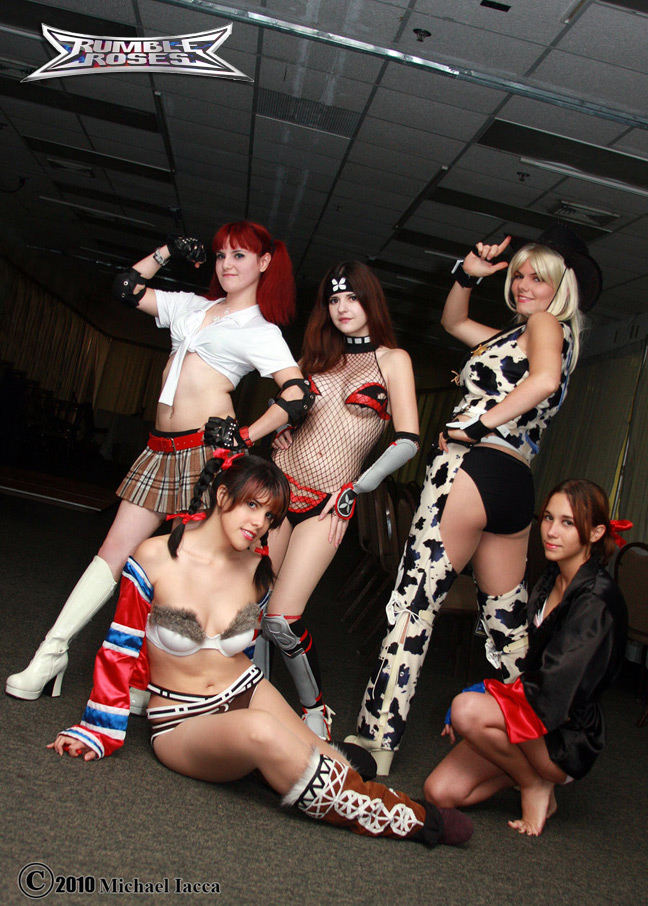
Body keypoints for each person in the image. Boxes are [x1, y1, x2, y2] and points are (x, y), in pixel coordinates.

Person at [48, 453, 473, 849]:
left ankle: (284, 769)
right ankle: (418, 821)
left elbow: (253, 650)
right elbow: (120, 647)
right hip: (180, 718)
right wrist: (97, 729)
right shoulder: (154, 556)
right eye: (252, 506)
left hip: (245, 687)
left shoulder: (257, 570)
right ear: (222, 495)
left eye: (270, 516)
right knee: (261, 732)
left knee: (337, 766)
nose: (260, 524)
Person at [6, 222, 314, 705]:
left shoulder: (261, 330)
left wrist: (247, 434)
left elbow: (298, 395)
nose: (227, 264)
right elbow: (127, 288)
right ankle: (51, 655)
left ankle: (151, 680)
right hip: (159, 449)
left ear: (264, 263)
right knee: (113, 551)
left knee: (183, 566)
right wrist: (168, 250)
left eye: (239, 255)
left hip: (207, 454)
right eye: (220, 255)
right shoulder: (190, 306)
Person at [346, 224, 602, 774]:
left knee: (414, 604)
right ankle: (538, 752)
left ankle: (376, 741)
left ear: (561, 287)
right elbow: (454, 322)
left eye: (538, 278)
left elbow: (541, 381)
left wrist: (477, 425)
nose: (523, 286)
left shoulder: (544, 326)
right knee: (508, 629)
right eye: (519, 276)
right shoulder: (532, 335)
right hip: (514, 483)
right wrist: (467, 275)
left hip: (471, 468)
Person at [263, 262, 420, 739]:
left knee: (281, 619)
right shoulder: (316, 356)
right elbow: (290, 407)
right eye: (333, 300)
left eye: (351, 297)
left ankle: (315, 710)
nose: (342, 307)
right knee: (249, 608)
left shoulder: (393, 360)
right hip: (278, 488)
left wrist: (358, 487)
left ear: (371, 300)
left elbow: (408, 440)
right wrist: (282, 429)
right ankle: (250, 698)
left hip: (330, 503)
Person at [424, 478, 628, 836]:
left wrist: (483, 702)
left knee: (466, 710)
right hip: (532, 714)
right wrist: (485, 695)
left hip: (564, 735)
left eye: (567, 523)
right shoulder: (552, 578)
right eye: (548, 518)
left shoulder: (596, 600)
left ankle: (534, 783)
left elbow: (555, 692)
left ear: (596, 533)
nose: (551, 531)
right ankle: (526, 773)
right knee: (439, 792)